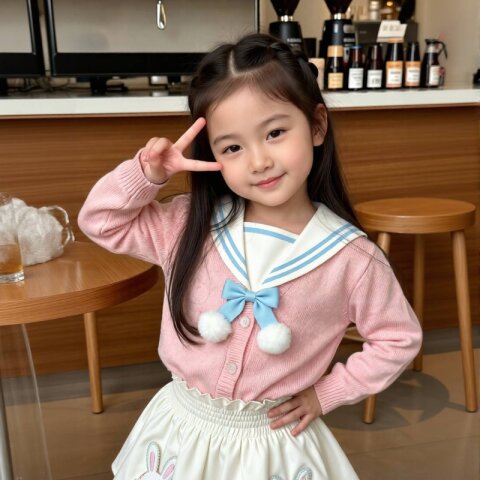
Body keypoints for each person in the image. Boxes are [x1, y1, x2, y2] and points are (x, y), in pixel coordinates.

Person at [78, 33, 422, 480]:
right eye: (233, 147)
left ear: (317, 125)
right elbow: (101, 221)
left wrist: (328, 392)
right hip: (179, 429)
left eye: (275, 133)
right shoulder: (188, 224)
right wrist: (146, 174)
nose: (258, 161)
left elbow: (398, 339)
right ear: (213, 155)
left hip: (274, 443)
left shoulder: (352, 259)